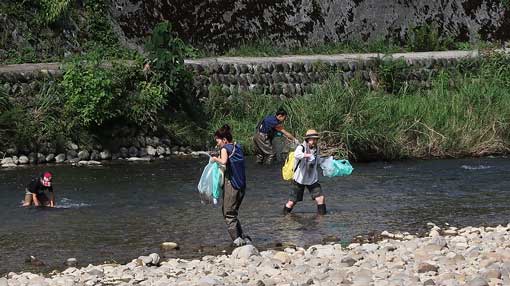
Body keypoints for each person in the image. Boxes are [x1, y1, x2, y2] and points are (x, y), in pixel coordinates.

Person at [210, 125, 251, 246]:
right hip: (242, 186)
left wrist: (214, 159)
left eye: (217, 140)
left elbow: (223, 161)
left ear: (223, 139)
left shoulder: (224, 149)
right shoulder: (237, 146)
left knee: (228, 213)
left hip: (232, 185)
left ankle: (237, 241)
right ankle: (241, 236)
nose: (217, 144)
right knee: (233, 212)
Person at [283, 129, 326, 215]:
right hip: (299, 180)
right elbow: (297, 155)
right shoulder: (301, 147)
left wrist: (329, 162)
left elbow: (317, 160)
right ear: (307, 139)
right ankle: (284, 216)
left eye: (316, 139)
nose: (314, 141)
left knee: (320, 198)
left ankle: (322, 219)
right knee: (292, 202)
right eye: (312, 139)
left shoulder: (316, 148)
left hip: (312, 179)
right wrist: (308, 155)